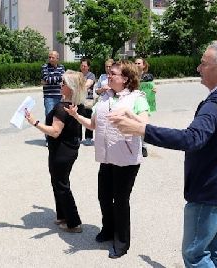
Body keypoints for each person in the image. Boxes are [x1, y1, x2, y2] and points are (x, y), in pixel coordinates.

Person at [108, 44, 217, 267]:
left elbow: (191, 139)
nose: (198, 68)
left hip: (210, 191)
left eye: (204, 63)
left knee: (196, 255)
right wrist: (139, 122)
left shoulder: (215, 105)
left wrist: (141, 130)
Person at [65, 61, 149, 259]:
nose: (108, 76)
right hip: (107, 157)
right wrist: (76, 116)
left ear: (126, 78)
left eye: (113, 74)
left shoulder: (137, 98)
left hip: (126, 159)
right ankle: (108, 230)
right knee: (104, 196)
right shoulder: (104, 97)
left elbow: (145, 124)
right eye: (109, 73)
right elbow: (93, 125)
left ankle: (121, 242)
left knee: (120, 201)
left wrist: (129, 114)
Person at [24, 70, 87, 233]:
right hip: (67, 148)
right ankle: (62, 215)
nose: (60, 85)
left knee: (61, 184)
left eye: (64, 83)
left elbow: (54, 131)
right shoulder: (75, 105)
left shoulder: (62, 107)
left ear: (71, 88)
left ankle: (74, 222)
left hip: (62, 151)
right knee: (58, 182)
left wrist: (34, 122)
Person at [41, 51, 65, 145]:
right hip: (49, 96)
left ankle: (57, 136)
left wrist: (51, 80)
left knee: (59, 117)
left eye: (52, 57)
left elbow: (63, 78)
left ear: (57, 59)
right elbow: (46, 79)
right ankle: (49, 138)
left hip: (59, 95)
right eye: (49, 57)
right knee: (49, 116)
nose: (50, 59)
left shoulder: (61, 67)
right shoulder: (44, 67)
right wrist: (57, 78)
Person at [135, 58, 157, 157]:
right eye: (135, 63)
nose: (137, 65)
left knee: (144, 125)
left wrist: (154, 89)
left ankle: (144, 146)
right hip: (134, 102)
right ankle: (136, 145)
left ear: (144, 65)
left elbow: (152, 86)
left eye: (139, 63)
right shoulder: (132, 75)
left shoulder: (148, 76)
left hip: (145, 103)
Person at [80, 58, 96, 146]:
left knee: (88, 119)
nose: (83, 67)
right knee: (77, 119)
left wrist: (78, 87)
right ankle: (78, 137)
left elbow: (87, 85)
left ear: (88, 67)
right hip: (78, 99)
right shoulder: (78, 75)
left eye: (85, 66)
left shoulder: (91, 75)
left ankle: (88, 138)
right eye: (82, 65)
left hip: (88, 100)